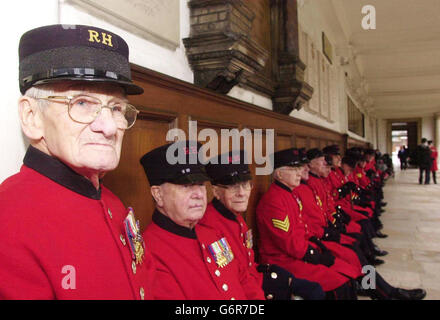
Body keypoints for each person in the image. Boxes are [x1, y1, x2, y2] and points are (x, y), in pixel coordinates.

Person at [0, 25, 154, 299]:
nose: (108, 127)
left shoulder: (111, 202)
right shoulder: (8, 222)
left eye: (116, 108)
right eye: (82, 103)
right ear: (31, 117)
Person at [140, 141, 265, 300]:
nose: (198, 194)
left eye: (200, 184)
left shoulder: (211, 234)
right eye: (186, 185)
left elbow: (243, 279)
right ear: (158, 194)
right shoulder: (150, 252)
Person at [199, 150, 325, 300]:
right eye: (232, 187)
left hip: (254, 276)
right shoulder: (209, 226)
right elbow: (232, 279)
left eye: (245, 185)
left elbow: (247, 264)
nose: (242, 193)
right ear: (215, 191)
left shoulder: (235, 216)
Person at [256, 148, 359, 299]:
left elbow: (302, 228)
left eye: (299, 168)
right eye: (293, 169)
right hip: (282, 260)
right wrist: (314, 255)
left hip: (296, 253)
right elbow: (288, 242)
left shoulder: (289, 194)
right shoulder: (273, 201)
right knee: (337, 281)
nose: (299, 173)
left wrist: (316, 246)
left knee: (344, 269)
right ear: (278, 174)